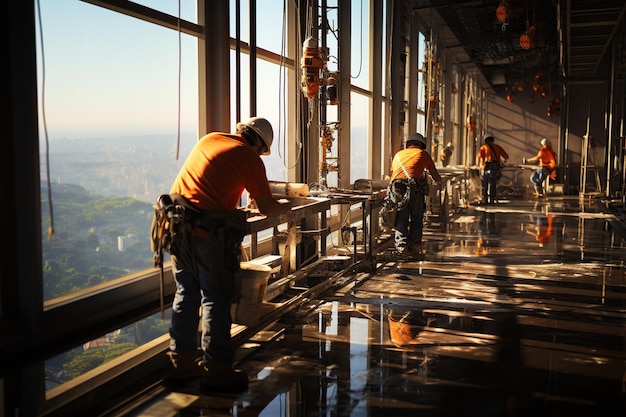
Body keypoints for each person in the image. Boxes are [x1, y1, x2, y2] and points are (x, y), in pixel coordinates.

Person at [165, 117, 291, 393]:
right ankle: (217, 369)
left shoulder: (209, 139)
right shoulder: (248, 157)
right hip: (206, 235)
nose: (259, 154)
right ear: (258, 143)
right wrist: (287, 206)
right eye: (261, 150)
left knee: (186, 294)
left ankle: (180, 364)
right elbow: (267, 206)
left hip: (176, 228)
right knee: (215, 297)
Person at [389, 133, 442, 258]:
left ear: (408, 144)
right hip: (414, 188)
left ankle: (401, 248)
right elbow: (434, 175)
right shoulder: (423, 154)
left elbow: (392, 173)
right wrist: (440, 182)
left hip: (397, 187)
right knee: (416, 218)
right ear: (422, 145)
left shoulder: (398, 154)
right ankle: (415, 249)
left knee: (401, 217)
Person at [476, 134, 509, 204]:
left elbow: (479, 158)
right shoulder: (497, 147)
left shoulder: (483, 147)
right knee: (492, 183)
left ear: (485, 141)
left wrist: (479, 166)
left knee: (484, 183)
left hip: (486, 166)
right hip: (495, 167)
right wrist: (502, 162)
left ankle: (485, 199)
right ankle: (492, 199)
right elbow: (506, 156)